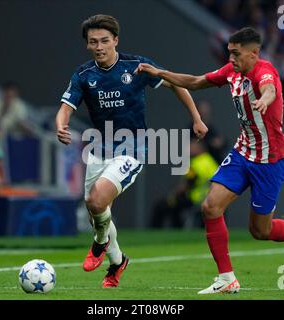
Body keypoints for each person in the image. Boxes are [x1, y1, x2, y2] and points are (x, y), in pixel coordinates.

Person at [135, 27, 284, 294]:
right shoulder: (231, 72)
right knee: (210, 207)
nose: (231, 58)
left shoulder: (264, 71)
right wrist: (160, 73)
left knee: (260, 231)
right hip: (242, 153)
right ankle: (227, 278)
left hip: (270, 161)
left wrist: (265, 100)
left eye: (236, 53)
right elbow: (194, 81)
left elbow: (270, 88)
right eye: (229, 52)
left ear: (254, 53)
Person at [56, 14, 208, 288]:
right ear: (88, 45)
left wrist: (196, 118)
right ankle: (117, 262)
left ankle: (100, 244)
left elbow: (176, 84)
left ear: (115, 40)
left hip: (132, 149)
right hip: (98, 150)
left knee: (96, 201)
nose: (99, 46)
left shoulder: (136, 66)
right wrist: (61, 125)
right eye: (93, 42)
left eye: (104, 40)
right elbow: (67, 106)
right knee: (97, 212)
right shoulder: (83, 74)